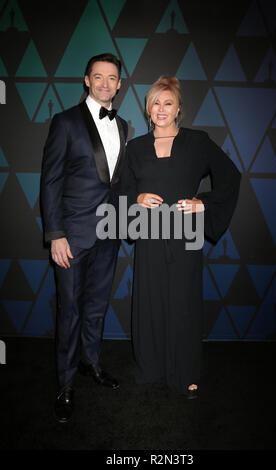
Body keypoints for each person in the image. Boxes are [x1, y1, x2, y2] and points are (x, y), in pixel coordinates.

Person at [121, 76, 241, 399]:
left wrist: (202, 203)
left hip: (184, 235)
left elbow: (230, 176)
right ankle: (151, 368)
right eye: (156, 103)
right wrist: (136, 199)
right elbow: (121, 187)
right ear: (148, 109)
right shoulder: (135, 148)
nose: (161, 109)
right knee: (150, 300)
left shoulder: (197, 142)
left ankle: (186, 372)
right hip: (148, 234)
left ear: (179, 109)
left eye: (168, 103)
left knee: (184, 303)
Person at [41, 53, 128, 422]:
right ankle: (64, 386)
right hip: (72, 236)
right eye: (99, 77)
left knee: (96, 307)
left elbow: (117, 181)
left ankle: (90, 364)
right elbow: (50, 181)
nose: (105, 83)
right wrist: (56, 234)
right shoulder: (65, 122)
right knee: (71, 312)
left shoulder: (124, 126)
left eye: (112, 78)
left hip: (109, 233)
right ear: (86, 80)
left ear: (119, 84)